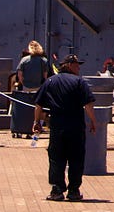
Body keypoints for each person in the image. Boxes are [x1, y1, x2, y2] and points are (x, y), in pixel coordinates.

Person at [33, 55, 97, 201]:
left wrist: (36, 122)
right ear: (68, 65)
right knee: (76, 158)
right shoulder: (79, 82)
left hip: (57, 126)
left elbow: (38, 104)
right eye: (76, 64)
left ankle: (57, 189)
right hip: (76, 126)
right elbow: (88, 104)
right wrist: (93, 121)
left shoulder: (50, 81)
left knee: (56, 158)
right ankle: (74, 190)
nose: (79, 67)